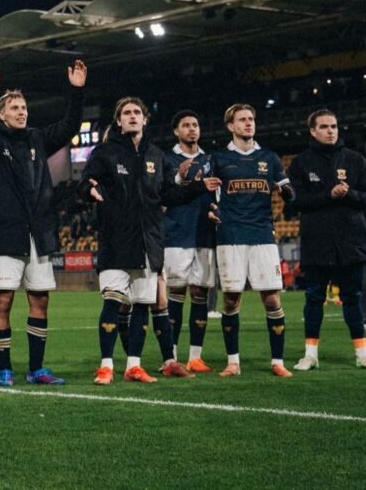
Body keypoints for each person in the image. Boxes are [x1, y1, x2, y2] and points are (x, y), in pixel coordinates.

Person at [0, 61, 86, 386]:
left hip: (39, 233)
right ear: (2, 114)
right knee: (3, 300)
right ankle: (5, 368)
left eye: (24, 107)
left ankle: (36, 368)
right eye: (15, 107)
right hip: (6, 234)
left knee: (40, 299)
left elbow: (70, 126)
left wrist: (76, 91)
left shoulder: (37, 138)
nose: (22, 112)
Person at [79, 97, 215, 385]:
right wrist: (88, 190)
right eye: (126, 113)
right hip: (116, 239)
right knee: (113, 302)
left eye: (136, 112)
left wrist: (199, 188)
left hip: (149, 240)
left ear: (144, 120)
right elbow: (86, 183)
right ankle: (106, 366)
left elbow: (169, 194)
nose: (132, 116)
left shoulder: (156, 155)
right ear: (118, 121)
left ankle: (134, 366)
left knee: (142, 304)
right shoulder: (104, 152)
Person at [208, 104, 293, 378]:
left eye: (251, 119)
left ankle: (277, 361)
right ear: (230, 126)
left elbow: (287, 189)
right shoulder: (218, 159)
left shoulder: (269, 158)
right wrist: (209, 209)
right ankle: (233, 362)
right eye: (242, 120)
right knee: (231, 300)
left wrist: (289, 192)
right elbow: (205, 194)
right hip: (230, 236)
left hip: (262, 235)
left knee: (271, 300)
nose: (248, 124)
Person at [287, 109, 366, 369]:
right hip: (316, 241)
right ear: (313, 131)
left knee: (353, 297)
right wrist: (328, 195)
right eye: (324, 127)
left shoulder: (356, 160)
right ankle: (310, 354)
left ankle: (362, 352)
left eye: (334, 126)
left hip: (351, 241)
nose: (331, 130)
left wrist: (350, 194)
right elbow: (295, 201)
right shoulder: (301, 162)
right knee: (313, 298)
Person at [161, 110, 218, 372]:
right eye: (186, 125)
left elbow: (219, 195)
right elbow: (162, 192)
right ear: (176, 131)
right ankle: (171, 356)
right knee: (176, 291)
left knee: (200, 292)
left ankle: (196, 356)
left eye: (195, 125)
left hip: (204, 233)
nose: (192, 129)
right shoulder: (167, 159)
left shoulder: (210, 160)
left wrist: (217, 212)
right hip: (175, 233)